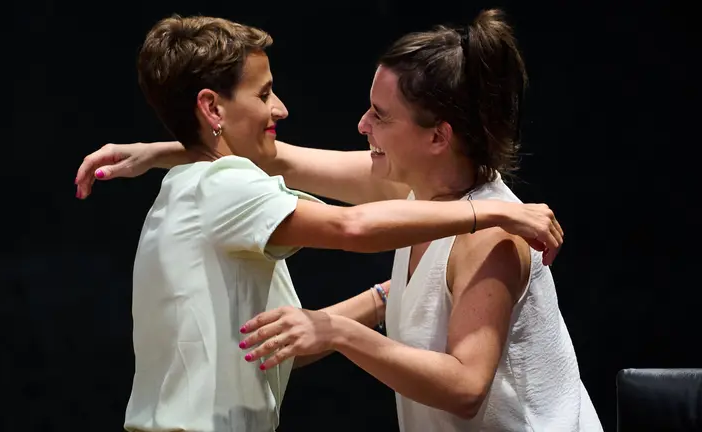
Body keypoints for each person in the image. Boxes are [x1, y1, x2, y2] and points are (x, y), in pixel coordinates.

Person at [80, 13, 566, 432]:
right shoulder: (439, 199)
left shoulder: (451, 214)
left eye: (380, 115)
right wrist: (167, 150)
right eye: (265, 92)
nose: (361, 126)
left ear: (438, 137)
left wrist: (357, 315)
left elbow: (293, 173)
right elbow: (335, 213)